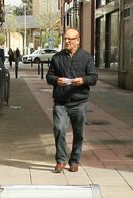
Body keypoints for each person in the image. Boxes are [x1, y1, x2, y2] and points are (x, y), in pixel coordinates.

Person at [46, 28, 97, 173]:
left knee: (78, 133)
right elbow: (49, 77)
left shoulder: (86, 57)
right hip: (61, 102)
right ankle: (60, 160)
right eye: (65, 39)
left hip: (79, 102)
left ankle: (74, 161)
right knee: (59, 129)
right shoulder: (57, 57)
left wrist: (82, 80)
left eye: (70, 39)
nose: (67, 41)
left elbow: (93, 77)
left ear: (78, 40)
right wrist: (57, 80)